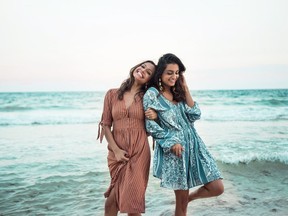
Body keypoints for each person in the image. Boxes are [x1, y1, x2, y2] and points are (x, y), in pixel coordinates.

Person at [143, 53, 224, 216]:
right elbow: (151, 126)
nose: (174, 76)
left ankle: (189, 198)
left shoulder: (178, 91)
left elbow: (195, 114)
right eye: (169, 73)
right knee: (181, 206)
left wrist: (185, 88)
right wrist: (171, 142)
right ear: (160, 74)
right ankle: (184, 201)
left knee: (217, 187)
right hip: (176, 151)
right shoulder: (152, 94)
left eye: (177, 72)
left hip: (196, 146)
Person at [97, 60, 157, 216]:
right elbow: (105, 125)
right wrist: (116, 150)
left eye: (148, 72)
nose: (143, 70)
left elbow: (157, 124)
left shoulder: (148, 98)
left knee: (133, 204)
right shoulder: (112, 94)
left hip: (139, 152)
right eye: (142, 66)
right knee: (111, 202)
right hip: (116, 153)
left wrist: (155, 115)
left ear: (150, 80)